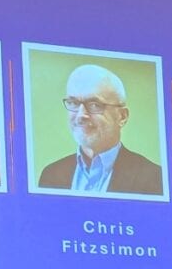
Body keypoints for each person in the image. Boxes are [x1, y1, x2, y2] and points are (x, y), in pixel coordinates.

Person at [38, 64, 163, 195]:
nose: (81, 115)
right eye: (73, 103)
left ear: (122, 117)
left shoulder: (154, 178)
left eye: (94, 105)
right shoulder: (51, 175)